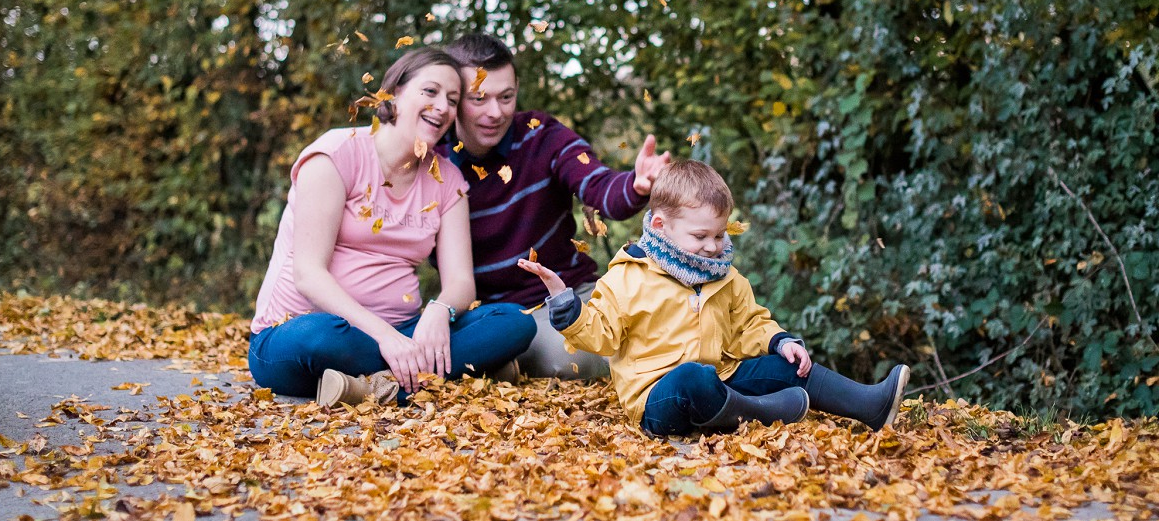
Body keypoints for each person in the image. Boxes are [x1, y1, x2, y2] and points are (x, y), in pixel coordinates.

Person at [518, 160, 911, 436]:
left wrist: (780, 340)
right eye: (700, 236)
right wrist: (567, 308)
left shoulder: (725, 277)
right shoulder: (628, 276)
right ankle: (763, 411)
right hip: (659, 397)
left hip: (723, 376)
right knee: (694, 377)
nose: (712, 246)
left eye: (720, 235)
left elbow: (749, 324)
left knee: (786, 366)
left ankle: (869, 405)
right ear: (661, 225)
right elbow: (600, 334)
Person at [249, 47, 536, 408]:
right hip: (302, 334)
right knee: (318, 336)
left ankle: (371, 387)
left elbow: (462, 283)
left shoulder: (448, 179)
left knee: (512, 322)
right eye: (430, 92)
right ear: (395, 93)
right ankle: (435, 374)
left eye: (452, 99)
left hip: (404, 331)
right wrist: (386, 338)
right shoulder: (336, 154)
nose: (443, 107)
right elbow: (308, 274)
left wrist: (438, 311)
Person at [443, 33, 670, 379]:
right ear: (455, 98)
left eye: (507, 97)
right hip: (495, 317)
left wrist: (636, 186)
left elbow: (598, 186)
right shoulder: (433, 162)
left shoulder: (542, 135)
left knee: (656, 326)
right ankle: (501, 362)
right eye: (479, 99)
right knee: (566, 358)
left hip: (568, 294)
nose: (496, 112)